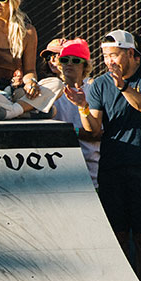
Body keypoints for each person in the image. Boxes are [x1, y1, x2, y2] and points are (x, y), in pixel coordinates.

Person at [83, 30, 141, 281]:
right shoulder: (98, 84)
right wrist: (82, 107)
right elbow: (94, 131)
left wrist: (123, 86)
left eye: (114, 54)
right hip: (111, 167)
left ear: (130, 53)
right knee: (118, 235)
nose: (109, 60)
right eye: (105, 55)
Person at [42, 39, 100, 185]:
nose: (69, 63)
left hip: (91, 168)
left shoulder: (94, 89)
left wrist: (68, 131)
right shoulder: (50, 90)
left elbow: (96, 134)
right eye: (64, 59)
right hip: (58, 168)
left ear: (85, 65)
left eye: (75, 60)